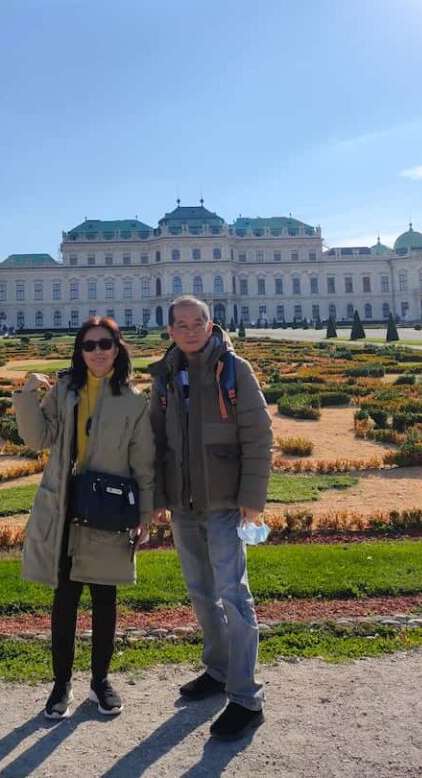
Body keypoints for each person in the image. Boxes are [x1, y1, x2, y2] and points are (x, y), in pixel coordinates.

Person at [12, 316, 155, 721]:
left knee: (105, 599)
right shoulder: (64, 391)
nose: (97, 351)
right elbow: (37, 438)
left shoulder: (134, 401)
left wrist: (144, 514)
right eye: (89, 345)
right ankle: (61, 684)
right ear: (80, 350)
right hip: (66, 505)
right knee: (65, 600)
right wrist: (26, 393)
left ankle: (100, 681)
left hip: (109, 509)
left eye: (105, 344)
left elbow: (143, 464)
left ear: (117, 348)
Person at [150, 295, 273, 741]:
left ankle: (246, 697)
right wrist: (160, 497)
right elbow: (156, 441)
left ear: (210, 323)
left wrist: (252, 497)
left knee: (233, 596)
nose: (189, 330)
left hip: (224, 503)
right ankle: (218, 671)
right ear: (170, 331)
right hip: (184, 505)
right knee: (202, 594)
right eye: (180, 324)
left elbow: (259, 435)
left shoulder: (234, 369)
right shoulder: (163, 375)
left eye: (196, 322)